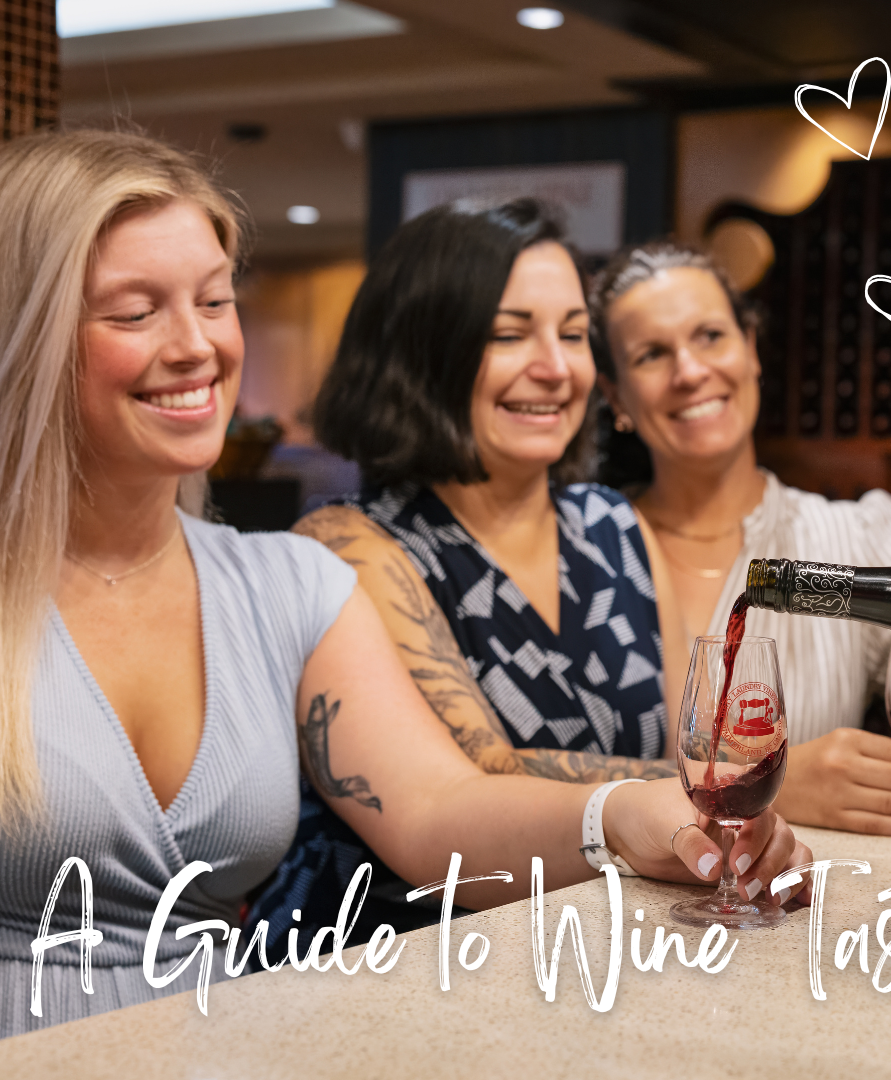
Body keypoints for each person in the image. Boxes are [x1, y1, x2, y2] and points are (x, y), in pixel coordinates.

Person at [0, 130, 810, 1039]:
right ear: (26, 332)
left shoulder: (289, 584)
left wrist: (628, 814)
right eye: (134, 311)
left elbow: (437, 810)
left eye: (215, 301)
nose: (196, 347)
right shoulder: (350, 545)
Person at [257, 201, 692, 948]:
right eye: (508, 334)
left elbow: (691, 746)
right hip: (398, 965)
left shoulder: (615, 525)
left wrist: (707, 782)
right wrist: (711, 789)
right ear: (423, 354)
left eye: (574, 335)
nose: (555, 368)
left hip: (605, 947)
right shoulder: (348, 546)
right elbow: (475, 775)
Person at [589, 240, 891, 836]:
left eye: (710, 335)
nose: (690, 371)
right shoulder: (581, 550)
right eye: (652, 355)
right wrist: (779, 783)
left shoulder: (855, 535)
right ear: (615, 397)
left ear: (752, 349)